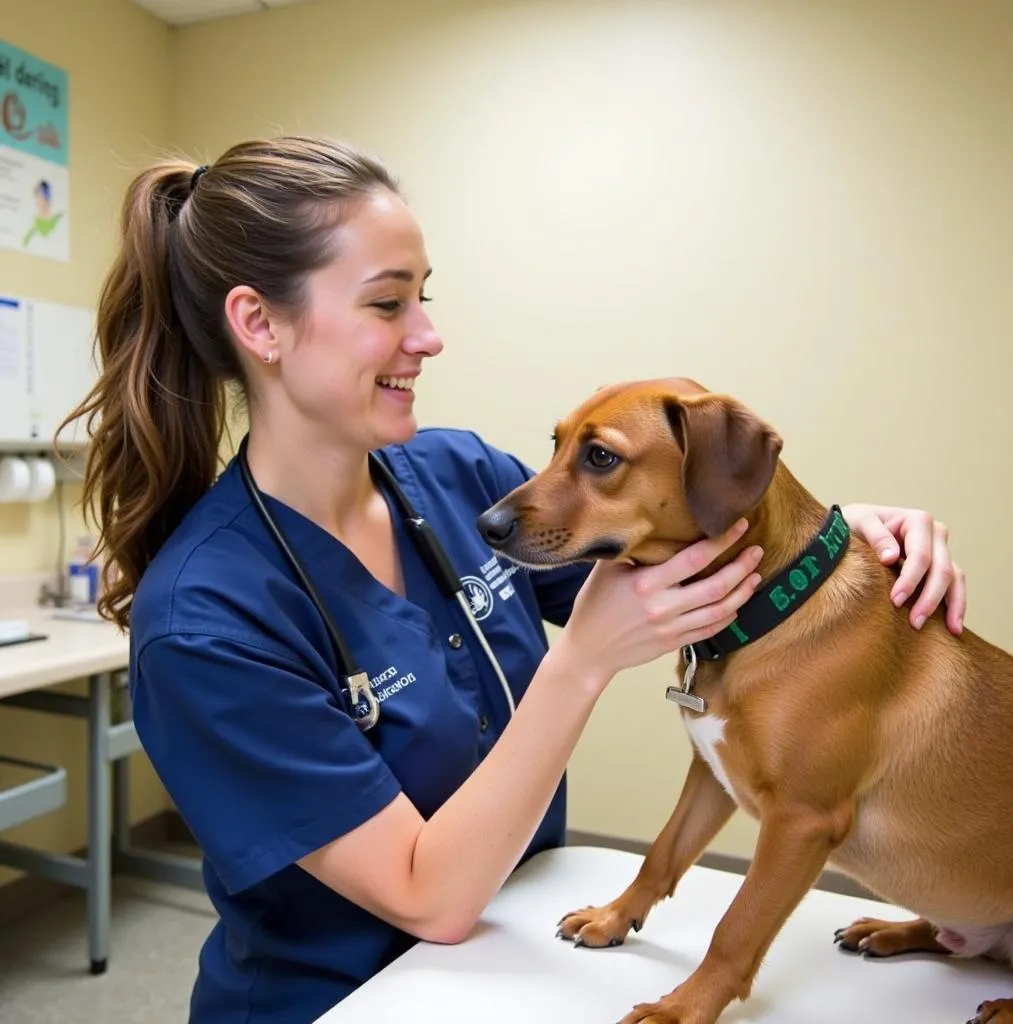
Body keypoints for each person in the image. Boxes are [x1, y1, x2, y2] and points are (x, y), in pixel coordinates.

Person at [62, 135, 967, 1024]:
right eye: (387, 304)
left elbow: (696, 580)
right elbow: (428, 898)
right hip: (344, 1001)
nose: (430, 336)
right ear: (260, 324)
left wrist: (847, 542)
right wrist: (579, 664)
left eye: (425, 297)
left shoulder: (457, 478)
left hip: (518, 948)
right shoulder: (206, 622)